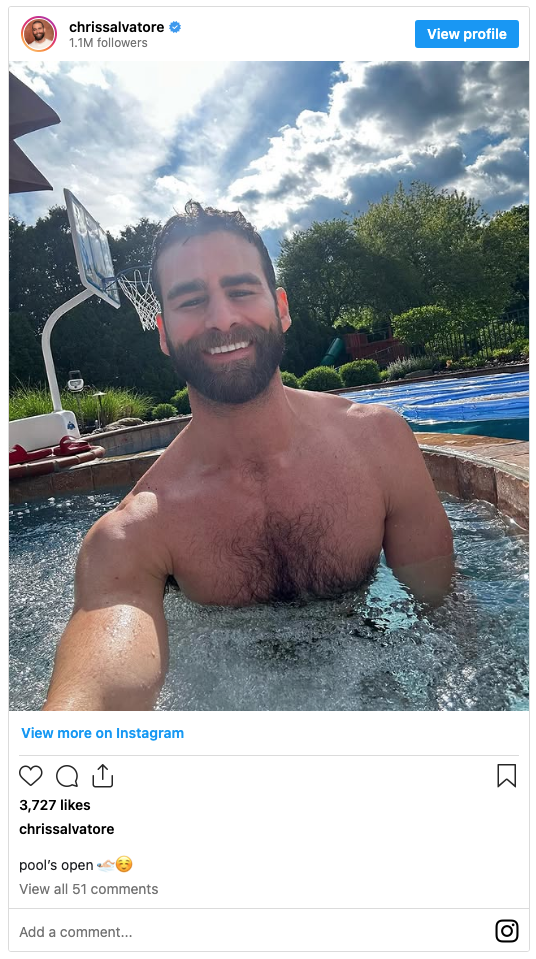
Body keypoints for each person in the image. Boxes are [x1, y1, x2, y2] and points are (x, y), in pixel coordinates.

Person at [43, 202, 454, 711]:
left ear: (280, 307)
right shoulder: (134, 534)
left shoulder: (380, 444)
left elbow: (446, 613)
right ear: (164, 333)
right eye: (191, 300)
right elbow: (96, 695)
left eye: (240, 291)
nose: (222, 319)